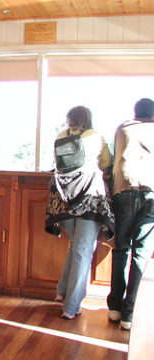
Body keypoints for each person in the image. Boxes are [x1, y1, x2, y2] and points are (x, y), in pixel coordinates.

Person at [45, 106, 114, 320]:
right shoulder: (96, 136)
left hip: (62, 198)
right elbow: (106, 163)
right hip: (88, 196)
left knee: (75, 245)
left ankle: (62, 291)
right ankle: (71, 306)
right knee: (83, 250)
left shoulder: (60, 136)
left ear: (69, 119)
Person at [107, 98, 154, 331]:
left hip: (124, 189)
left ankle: (114, 307)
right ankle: (129, 313)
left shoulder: (123, 128)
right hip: (151, 193)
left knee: (121, 249)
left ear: (135, 112)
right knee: (141, 253)